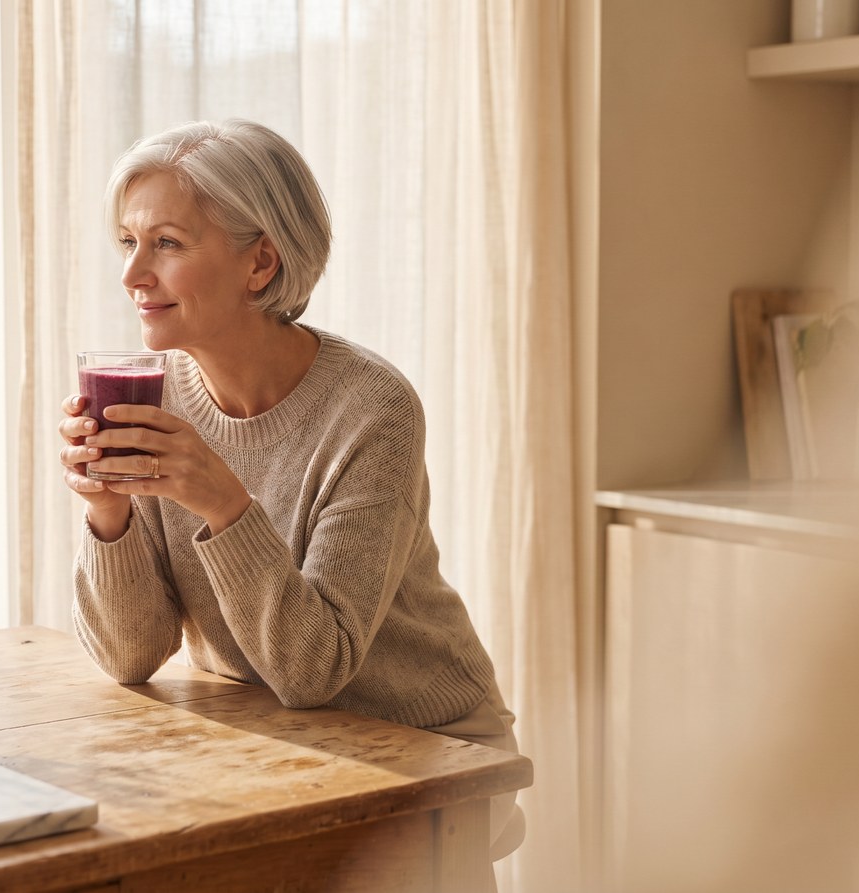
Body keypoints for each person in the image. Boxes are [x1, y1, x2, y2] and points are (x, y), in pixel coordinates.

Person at [57, 119, 518, 846]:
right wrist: (109, 514)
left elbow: (314, 667)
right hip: (273, 735)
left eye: (167, 243)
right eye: (128, 241)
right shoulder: (156, 394)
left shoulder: (372, 408)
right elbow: (129, 656)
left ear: (261, 263)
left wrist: (220, 498)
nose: (132, 274)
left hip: (426, 748)